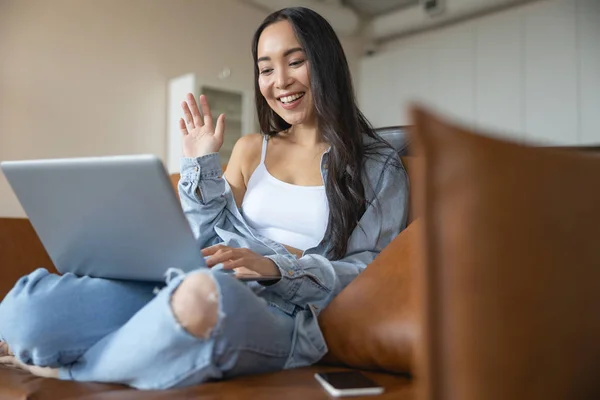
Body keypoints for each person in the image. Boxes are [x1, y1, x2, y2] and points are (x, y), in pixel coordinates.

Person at [0, 7, 408, 390]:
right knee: (29, 312)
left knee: (201, 299)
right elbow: (200, 235)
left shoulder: (378, 165)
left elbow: (366, 271)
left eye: (295, 62)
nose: (279, 80)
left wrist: (275, 268)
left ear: (327, 64)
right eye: (266, 68)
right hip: (194, 279)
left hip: (279, 310)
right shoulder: (252, 149)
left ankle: (60, 370)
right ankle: (153, 341)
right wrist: (200, 164)